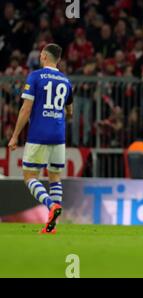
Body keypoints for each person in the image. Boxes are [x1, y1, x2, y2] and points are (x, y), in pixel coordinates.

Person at [8, 43, 73, 234]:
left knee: (29, 177)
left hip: (38, 134)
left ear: (44, 56)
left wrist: (14, 136)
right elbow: (70, 111)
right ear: (58, 60)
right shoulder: (65, 81)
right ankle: (52, 224)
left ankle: (50, 205)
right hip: (58, 136)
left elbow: (26, 108)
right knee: (55, 177)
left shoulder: (35, 77)